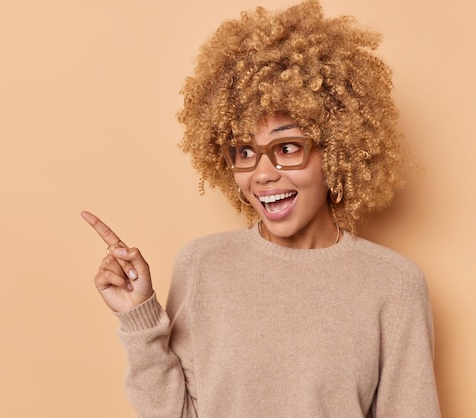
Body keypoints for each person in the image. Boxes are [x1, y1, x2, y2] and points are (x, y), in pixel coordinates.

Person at [81, 0, 441, 416]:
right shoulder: (203, 265)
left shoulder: (393, 284)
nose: (262, 174)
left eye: (287, 148)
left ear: (339, 151)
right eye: (245, 150)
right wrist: (139, 319)